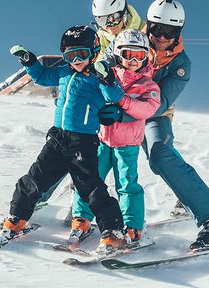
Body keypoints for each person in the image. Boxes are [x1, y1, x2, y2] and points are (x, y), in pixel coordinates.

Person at [104, 0, 209, 250]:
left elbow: (159, 104)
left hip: (152, 115)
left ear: (177, 32)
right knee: (76, 141)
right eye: (155, 28)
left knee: (160, 155)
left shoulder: (181, 64)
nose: (159, 36)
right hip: (115, 111)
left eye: (168, 32)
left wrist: (121, 112)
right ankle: (35, 207)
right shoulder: (134, 40)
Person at [0, 25, 130, 252]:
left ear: (94, 52)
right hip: (57, 138)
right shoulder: (64, 72)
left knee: (91, 189)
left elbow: (115, 95)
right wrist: (29, 62)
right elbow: (43, 77)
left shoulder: (99, 74)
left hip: (83, 141)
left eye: (81, 54)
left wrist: (106, 78)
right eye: (70, 55)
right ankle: (16, 219)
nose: (75, 60)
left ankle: (113, 231)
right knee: (33, 180)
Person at [69, 29, 160, 244]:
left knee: (127, 185)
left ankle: (132, 227)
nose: (134, 61)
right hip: (101, 140)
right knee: (89, 180)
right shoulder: (107, 75)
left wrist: (123, 104)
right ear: (119, 54)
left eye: (139, 56)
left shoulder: (148, 85)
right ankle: (81, 219)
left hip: (127, 145)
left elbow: (147, 110)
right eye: (129, 55)